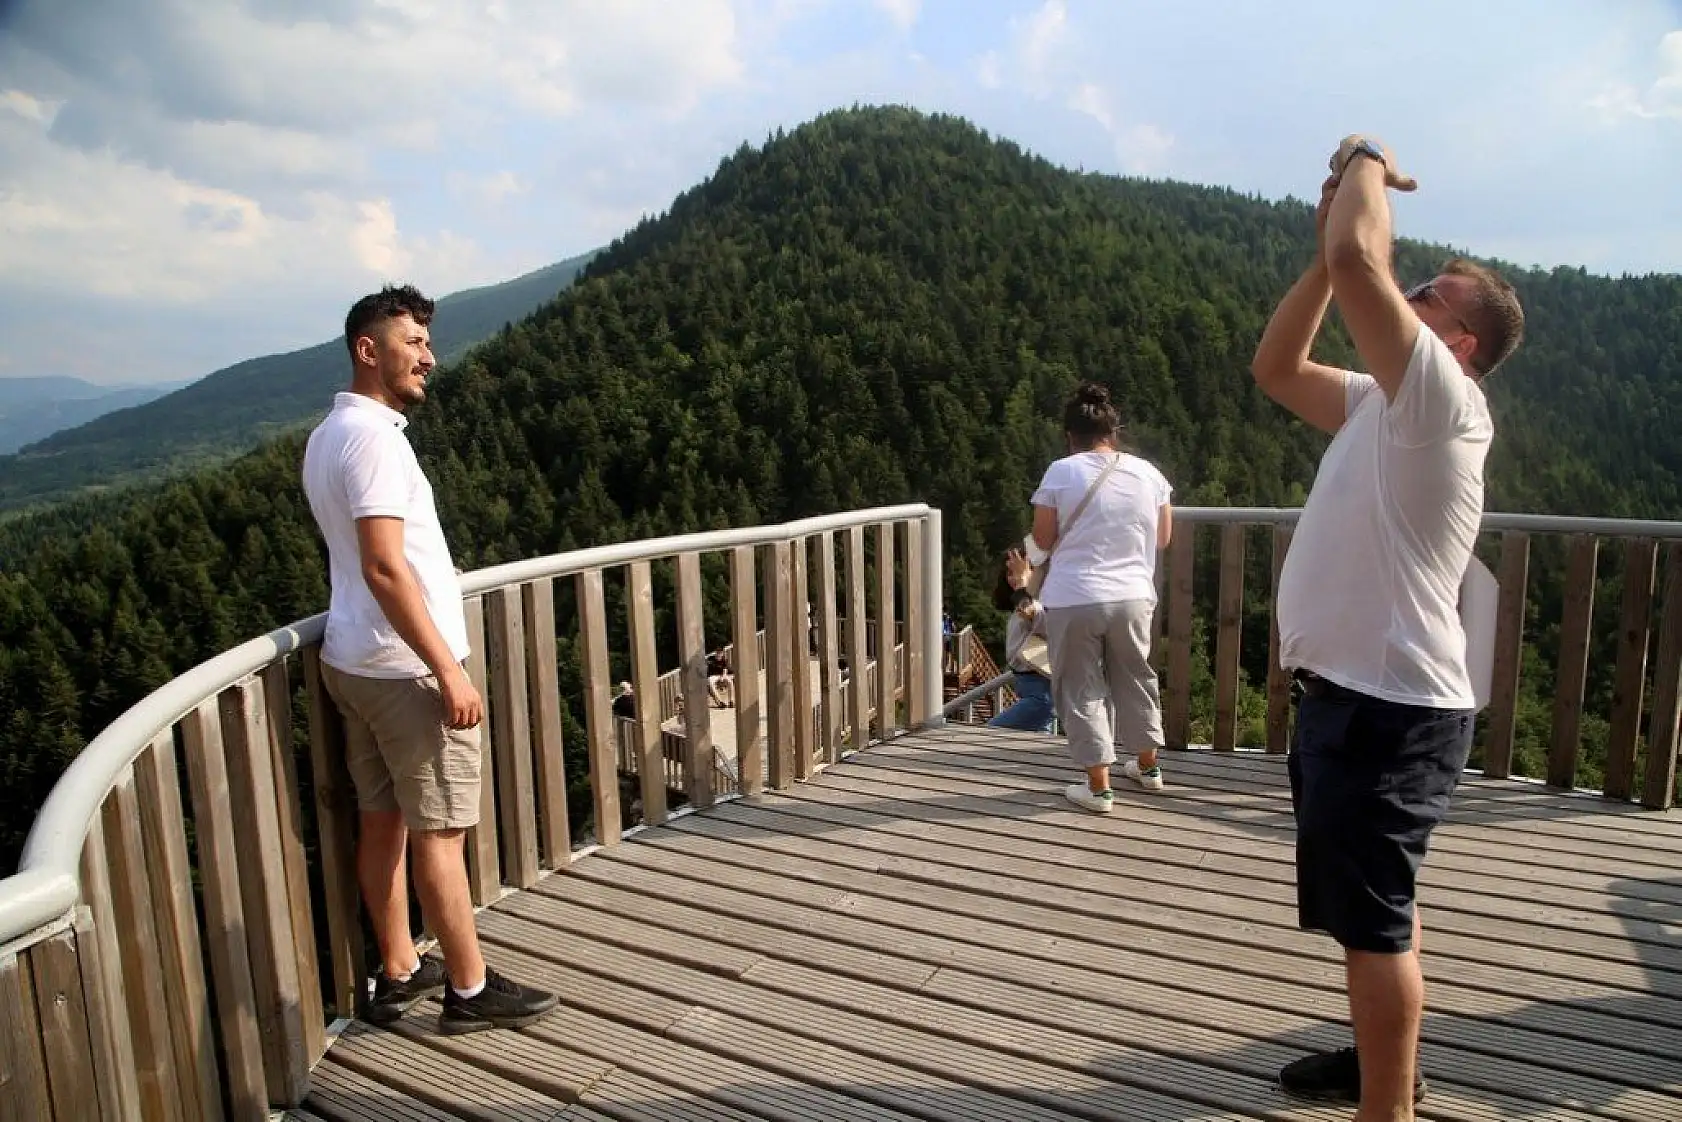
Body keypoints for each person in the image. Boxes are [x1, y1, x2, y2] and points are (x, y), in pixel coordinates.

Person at [1251, 137, 1524, 1120]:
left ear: (1457, 347)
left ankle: (1388, 1109)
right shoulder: (1382, 399)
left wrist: (1365, 162)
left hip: (1388, 708)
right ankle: (1379, 1062)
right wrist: (1322, 255)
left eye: (1426, 291)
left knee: (1376, 923)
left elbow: (1365, 260)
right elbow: (1275, 368)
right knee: (1361, 914)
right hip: (1350, 699)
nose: (1399, 290)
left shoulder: (1442, 404)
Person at [302, 284, 560, 1035]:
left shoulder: (326, 435)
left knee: (382, 820)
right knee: (440, 832)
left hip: (354, 664)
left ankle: (400, 969)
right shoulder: (377, 440)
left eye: (427, 343)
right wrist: (447, 666)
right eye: (414, 343)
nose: (429, 359)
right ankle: (472, 991)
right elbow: (385, 566)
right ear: (368, 349)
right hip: (405, 673)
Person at [1023, 382, 1173, 813]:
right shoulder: (1149, 474)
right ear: (1113, 432)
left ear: (1070, 436)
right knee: (1136, 676)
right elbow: (1163, 538)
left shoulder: (1060, 472)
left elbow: (1044, 538)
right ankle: (1147, 767)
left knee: (1081, 685)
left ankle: (1098, 787)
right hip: (1132, 595)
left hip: (1074, 596)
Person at [986, 549, 1055, 734]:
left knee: (988, 734)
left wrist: (1023, 589)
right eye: (1009, 573)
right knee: (1036, 743)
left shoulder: (1044, 599)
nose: (1013, 578)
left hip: (1041, 689)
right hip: (1028, 684)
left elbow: (1040, 618)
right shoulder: (1023, 601)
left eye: (1020, 571)